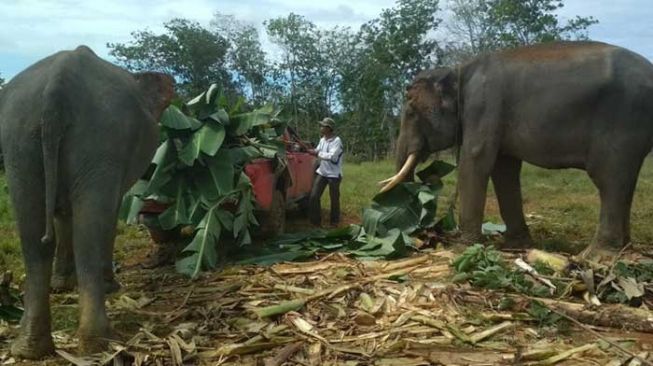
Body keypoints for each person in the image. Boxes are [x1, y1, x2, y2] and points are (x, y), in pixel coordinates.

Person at [308, 117, 344, 227]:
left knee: (334, 199)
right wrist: (311, 151)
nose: (321, 128)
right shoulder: (322, 140)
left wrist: (317, 154)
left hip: (334, 174)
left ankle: (334, 222)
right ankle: (316, 222)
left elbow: (332, 157)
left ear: (329, 128)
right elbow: (318, 150)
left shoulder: (337, 141)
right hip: (322, 172)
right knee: (314, 196)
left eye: (322, 126)